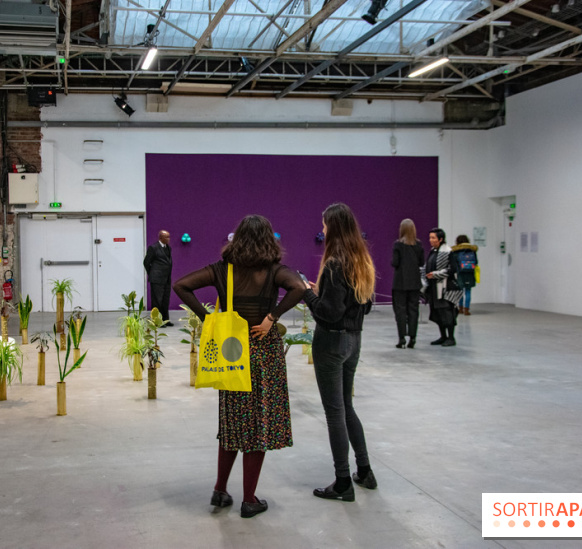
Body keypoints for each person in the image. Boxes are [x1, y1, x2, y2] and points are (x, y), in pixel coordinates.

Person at [173, 215, 304, 518]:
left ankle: (220, 491)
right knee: (258, 427)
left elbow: (181, 285)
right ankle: (249, 499)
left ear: (238, 239)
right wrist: (273, 316)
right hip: (264, 354)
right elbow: (297, 288)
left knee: (232, 424)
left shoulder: (222, 270)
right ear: (269, 240)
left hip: (232, 353)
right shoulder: (274, 271)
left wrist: (209, 319)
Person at [302, 203, 378, 503]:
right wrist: (321, 293)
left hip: (332, 343)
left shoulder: (334, 263)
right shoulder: (362, 261)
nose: (321, 230)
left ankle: (343, 481)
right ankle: (365, 470)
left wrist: (308, 293)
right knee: (346, 407)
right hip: (354, 341)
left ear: (332, 227)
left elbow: (329, 314)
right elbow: (364, 305)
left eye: (324, 225)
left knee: (334, 412)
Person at [425, 228, 463, 346]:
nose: (430, 240)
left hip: (446, 289)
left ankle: (451, 337)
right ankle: (443, 336)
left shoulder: (448, 252)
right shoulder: (433, 251)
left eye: (433, 238)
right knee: (438, 313)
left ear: (440, 239)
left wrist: (436, 274)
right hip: (434, 288)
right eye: (430, 237)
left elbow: (453, 269)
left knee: (447, 313)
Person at [391, 219, 425, 349]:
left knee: (400, 310)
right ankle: (413, 337)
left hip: (400, 282)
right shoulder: (419, 245)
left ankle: (401, 338)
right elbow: (421, 263)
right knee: (413, 310)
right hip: (415, 282)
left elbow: (395, 262)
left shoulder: (398, 245)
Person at [143, 230, 173, 326]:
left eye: (169, 237)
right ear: (160, 238)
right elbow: (146, 262)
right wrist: (152, 273)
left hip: (166, 278)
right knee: (157, 301)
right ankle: (156, 321)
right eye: (166, 237)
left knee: (165, 300)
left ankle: (165, 319)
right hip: (157, 279)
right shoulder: (153, 247)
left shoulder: (168, 248)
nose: (168, 239)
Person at [452, 235, 478, 315]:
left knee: (460, 291)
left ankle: (460, 309)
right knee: (468, 291)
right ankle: (467, 310)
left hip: (460, 273)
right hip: (470, 273)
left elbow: (454, 263)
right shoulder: (472, 250)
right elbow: (476, 262)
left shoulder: (456, 251)